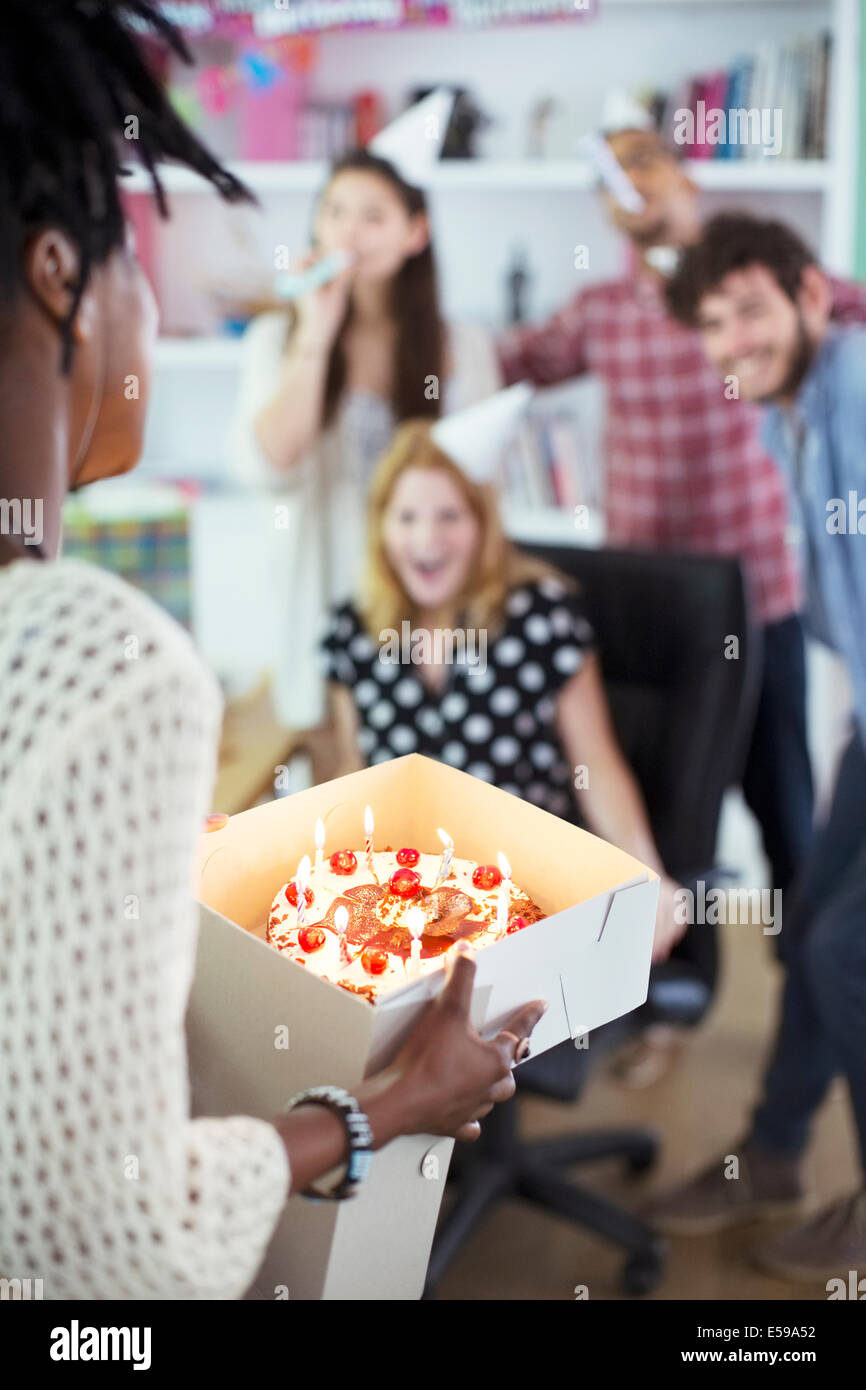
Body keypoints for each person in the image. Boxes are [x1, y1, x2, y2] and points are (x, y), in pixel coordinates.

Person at [0, 0, 546, 1301]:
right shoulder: (95, 666)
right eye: (137, 246)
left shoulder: (448, 353)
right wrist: (387, 1108)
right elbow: (102, 1252)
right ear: (61, 274)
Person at [498, 123, 866, 907]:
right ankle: (665, 993)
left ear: (687, 176)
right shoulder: (597, 312)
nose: (630, 185)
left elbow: (845, 312)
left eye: (644, 164)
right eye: (610, 176)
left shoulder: (760, 284)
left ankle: (804, 992)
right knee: (665, 816)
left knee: (787, 810)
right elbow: (496, 368)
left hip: (761, 595)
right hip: (653, 609)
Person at [648, 212, 866, 1281]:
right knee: (816, 928)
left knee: (837, 948)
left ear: (811, 295)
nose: (731, 340)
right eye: (712, 325)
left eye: (749, 310)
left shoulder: (854, 387)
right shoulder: (797, 412)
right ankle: (775, 1155)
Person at [320, 414, 685, 964]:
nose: (426, 538)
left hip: (520, 888)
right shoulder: (353, 629)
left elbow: (597, 765)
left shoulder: (541, 616)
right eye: (407, 517)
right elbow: (353, 773)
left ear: (481, 524)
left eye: (449, 516)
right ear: (381, 527)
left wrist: (646, 870)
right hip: (404, 888)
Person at [230, 139, 500, 730]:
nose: (350, 232)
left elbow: (481, 490)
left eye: (374, 216)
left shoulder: (464, 347)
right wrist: (316, 333)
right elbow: (271, 466)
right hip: (330, 604)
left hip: (441, 617)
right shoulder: (279, 341)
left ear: (415, 232)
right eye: (334, 212)